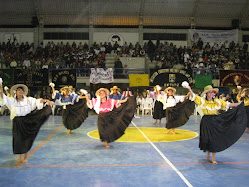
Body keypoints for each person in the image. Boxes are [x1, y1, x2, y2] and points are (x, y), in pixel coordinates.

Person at [185, 85, 246, 164]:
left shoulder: (217, 101)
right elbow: (193, 96)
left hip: (215, 120)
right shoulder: (202, 100)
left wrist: (238, 104)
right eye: (209, 92)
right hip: (206, 121)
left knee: (214, 139)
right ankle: (208, 153)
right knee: (207, 138)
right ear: (206, 94)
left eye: (212, 92)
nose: (211, 93)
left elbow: (228, 104)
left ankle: (213, 158)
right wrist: (189, 88)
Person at [0, 80, 52, 162]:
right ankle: (19, 157)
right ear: (15, 92)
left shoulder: (28, 100)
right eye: (19, 90)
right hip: (17, 122)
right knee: (18, 139)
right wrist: (0, 85)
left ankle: (25, 156)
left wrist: (46, 101)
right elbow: (2, 97)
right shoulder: (11, 101)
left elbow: (37, 101)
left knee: (27, 138)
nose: (20, 91)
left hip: (27, 120)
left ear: (24, 92)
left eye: (22, 90)